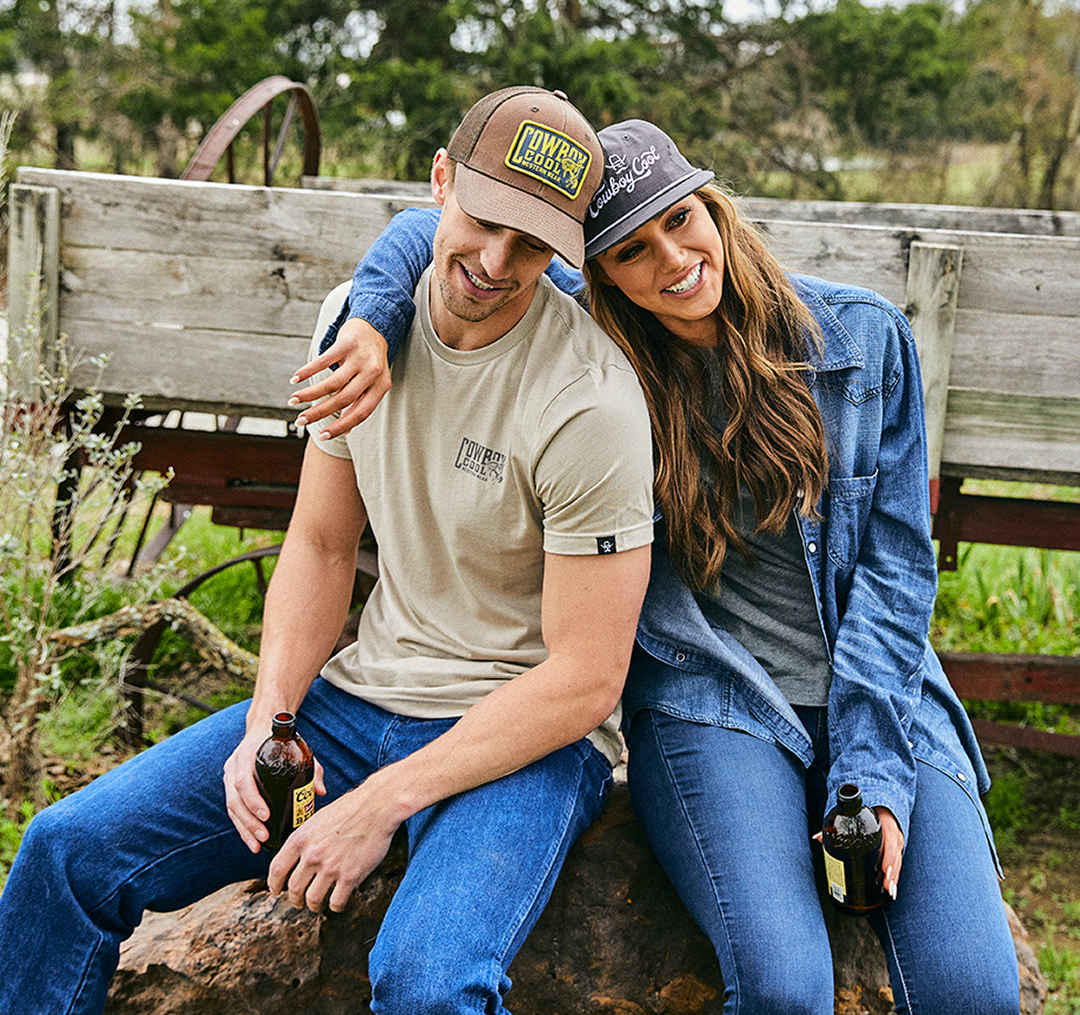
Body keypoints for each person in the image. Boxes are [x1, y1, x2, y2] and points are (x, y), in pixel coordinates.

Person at [290, 119, 1022, 1014]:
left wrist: (873, 772)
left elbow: (898, 574)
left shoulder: (863, 342)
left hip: (882, 691)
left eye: (683, 221)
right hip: (711, 691)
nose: (672, 260)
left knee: (972, 993)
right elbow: (432, 228)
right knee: (787, 989)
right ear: (599, 273)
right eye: (633, 251)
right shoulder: (606, 360)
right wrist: (372, 318)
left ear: (714, 206)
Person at [0, 87, 656, 1015]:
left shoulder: (591, 402)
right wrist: (269, 720)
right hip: (359, 700)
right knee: (65, 851)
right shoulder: (358, 324)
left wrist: (380, 801)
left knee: (427, 984)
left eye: (534, 243)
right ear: (440, 180)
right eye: (483, 220)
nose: (497, 263)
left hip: (524, 739)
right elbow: (317, 541)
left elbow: (588, 679)